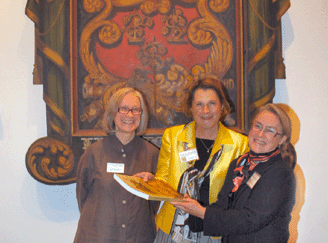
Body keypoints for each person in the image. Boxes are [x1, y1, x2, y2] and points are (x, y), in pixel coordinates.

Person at [137, 76, 249, 243]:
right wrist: (152, 181)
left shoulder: (240, 144)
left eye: (211, 103)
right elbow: (164, 180)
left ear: (222, 107)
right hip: (174, 230)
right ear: (190, 108)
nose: (205, 110)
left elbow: (239, 195)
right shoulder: (173, 137)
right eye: (199, 104)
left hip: (215, 232)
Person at [173, 103, 296, 243]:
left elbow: (250, 219)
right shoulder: (239, 164)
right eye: (258, 126)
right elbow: (223, 206)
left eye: (270, 130)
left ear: (283, 138)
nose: (260, 134)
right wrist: (190, 210)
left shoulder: (280, 173)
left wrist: (202, 212)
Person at [73, 87, 159, 243]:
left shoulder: (152, 154)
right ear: (113, 113)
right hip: (98, 236)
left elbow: (155, 204)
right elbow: (82, 197)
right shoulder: (93, 153)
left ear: (142, 115)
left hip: (138, 237)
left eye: (135, 110)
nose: (130, 115)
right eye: (124, 109)